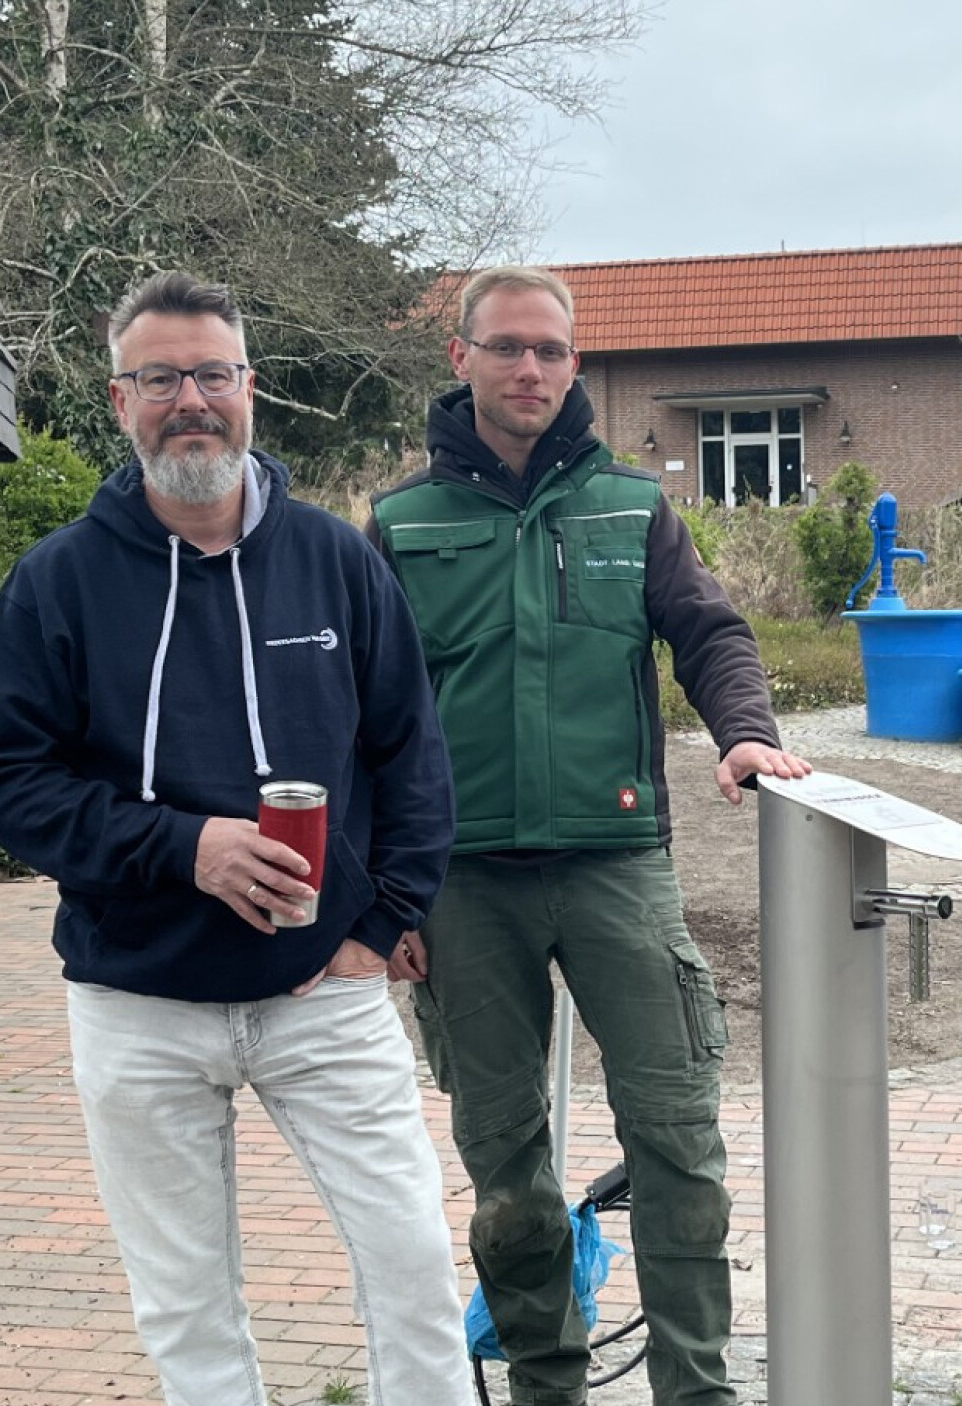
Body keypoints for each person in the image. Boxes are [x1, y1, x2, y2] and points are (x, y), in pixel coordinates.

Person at [0, 271, 474, 1406]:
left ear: (251, 389)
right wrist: (181, 846)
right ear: (118, 399)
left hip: (321, 994)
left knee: (412, 1263)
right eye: (160, 378)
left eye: (211, 374)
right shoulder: (60, 581)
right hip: (137, 998)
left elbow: (412, 755)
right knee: (186, 1303)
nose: (189, 399)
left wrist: (379, 920)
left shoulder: (338, 559)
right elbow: (3, 780)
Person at [368, 264, 813, 1406]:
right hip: (465, 887)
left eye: (550, 350)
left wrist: (747, 733)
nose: (530, 368)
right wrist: (386, 893)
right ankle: (546, 1383)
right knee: (504, 1163)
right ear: (459, 358)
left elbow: (711, 633)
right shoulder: (401, 525)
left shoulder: (631, 506)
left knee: (679, 1141)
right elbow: (362, 719)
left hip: (618, 869)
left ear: (574, 363)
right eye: (507, 346)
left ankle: (693, 1387)